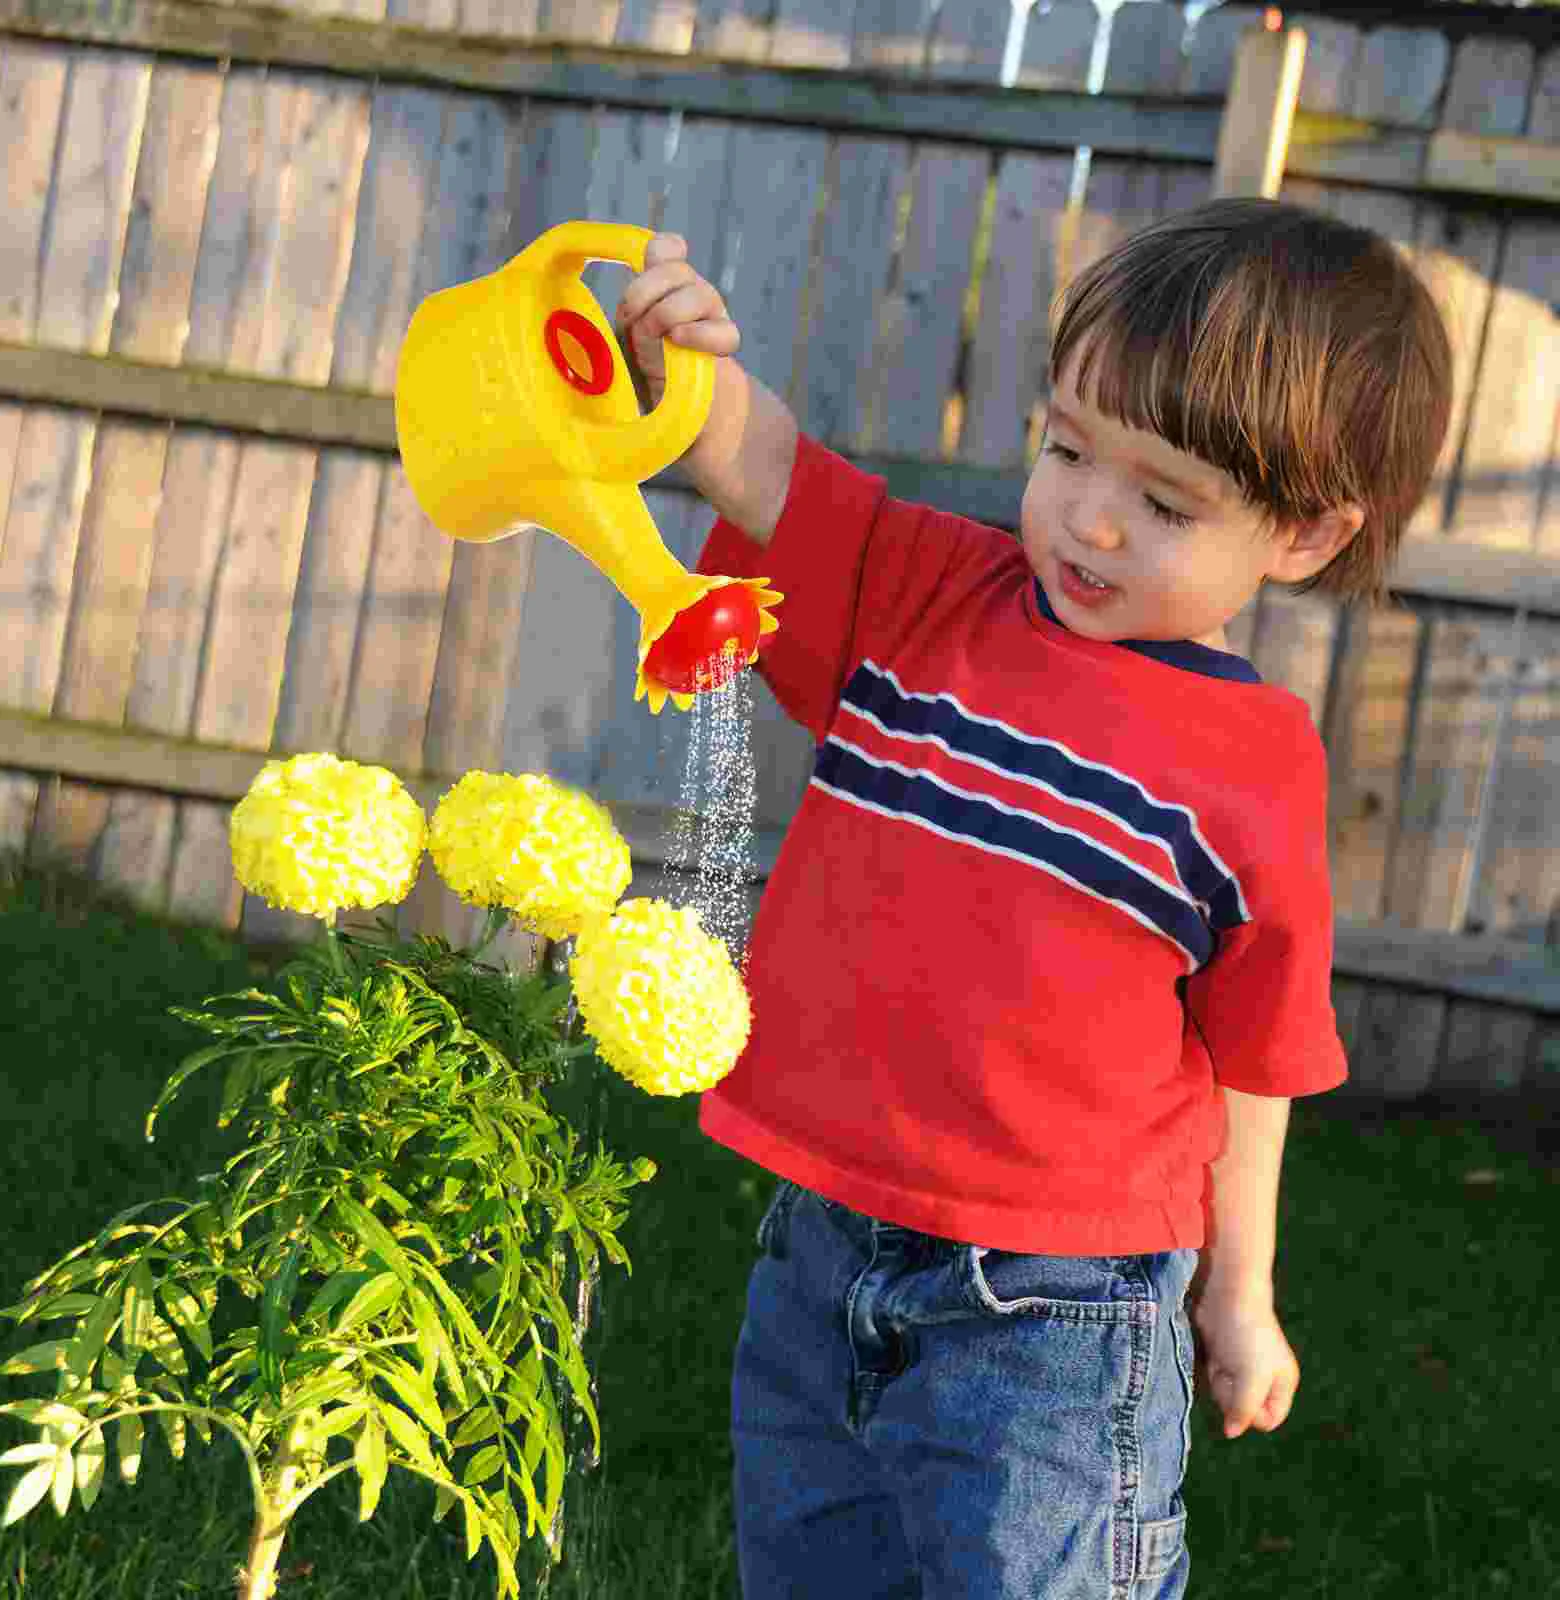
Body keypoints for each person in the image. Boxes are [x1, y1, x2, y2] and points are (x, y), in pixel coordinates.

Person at [612, 197, 1452, 1599]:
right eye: (1066, 447)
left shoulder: (1251, 772)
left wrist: (1237, 1295)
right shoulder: (924, 593)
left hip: (1058, 1320)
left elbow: (1258, 1058)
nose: (1090, 516)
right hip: (822, 1254)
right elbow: (760, 471)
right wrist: (677, 372)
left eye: (1165, 501)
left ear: (1303, 538)